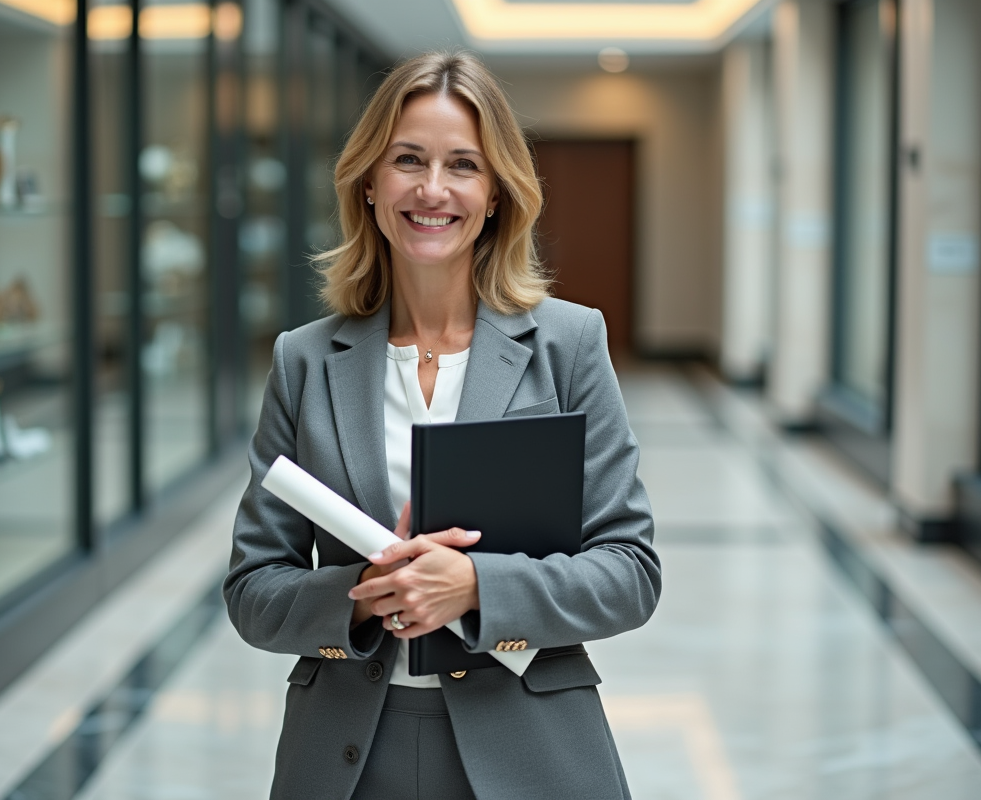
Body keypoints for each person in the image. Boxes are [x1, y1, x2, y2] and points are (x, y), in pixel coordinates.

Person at [223, 50, 661, 800]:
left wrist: (475, 587)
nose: (433, 189)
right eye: (408, 160)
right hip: (348, 755)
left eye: (463, 164)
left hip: (530, 753)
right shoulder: (303, 360)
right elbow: (254, 590)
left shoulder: (569, 344)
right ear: (368, 183)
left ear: (495, 194)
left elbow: (630, 571)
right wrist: (359, 595)